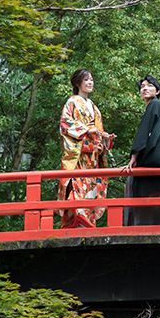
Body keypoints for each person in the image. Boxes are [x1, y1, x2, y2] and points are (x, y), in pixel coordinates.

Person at [121, 75, 160, 225]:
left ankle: (141, 225)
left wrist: (134, 157)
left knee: (139, 182)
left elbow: (144, 131)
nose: (145, 88)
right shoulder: (157, 106)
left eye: (149, 85)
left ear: (158, 91)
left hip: (159, 157)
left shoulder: (155, 104)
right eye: (142, 87)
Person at [59, 68, 115, 228]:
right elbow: (65, 123)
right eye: (86, 80)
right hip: (79, 156)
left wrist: (105, 138)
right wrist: (87, 130)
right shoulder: (72, 102)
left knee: (91, 190)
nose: (90, 82)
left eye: (91, 79)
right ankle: (77, 219)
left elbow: (99, 130)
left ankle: (86, 222)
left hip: (93, 158)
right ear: (78, 83)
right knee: (77, 186)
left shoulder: (94, 107)